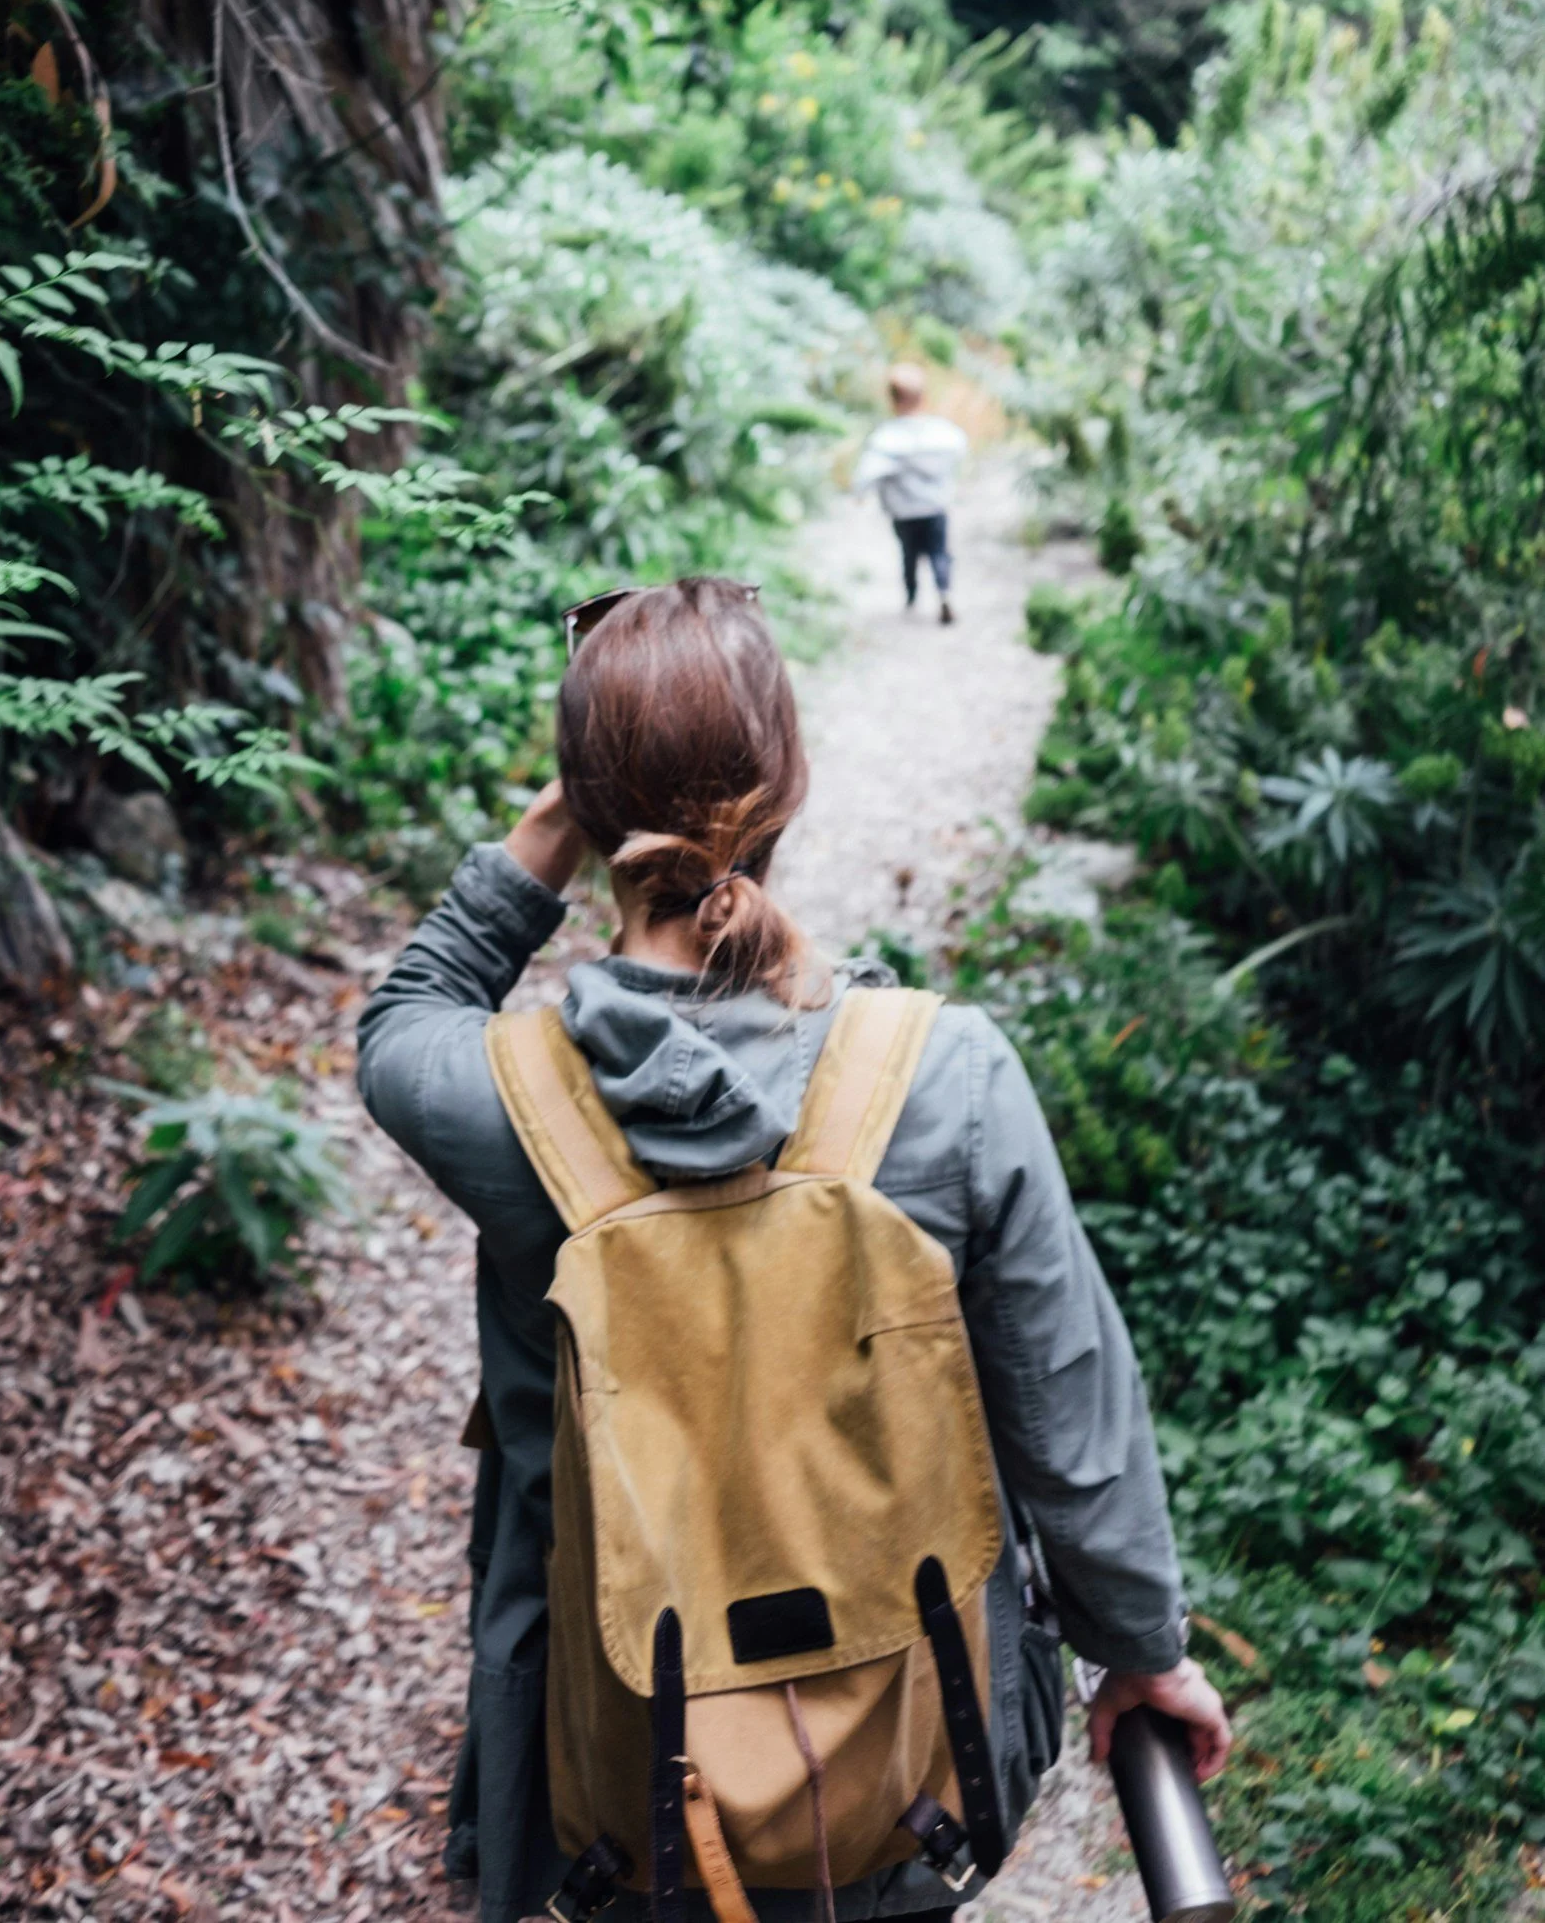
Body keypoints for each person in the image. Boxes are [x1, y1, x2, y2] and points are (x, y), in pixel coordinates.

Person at [357, 579, 1229, 1923]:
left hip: (623, 1788)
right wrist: (1140, 1654)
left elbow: (407, 1006)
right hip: (904, 1782)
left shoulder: (502, 1104)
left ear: (593, 814)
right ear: (789, 788)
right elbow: (1069, 1412)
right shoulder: (941, 1074)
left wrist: (564, 816)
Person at [853, 362, 969, 623]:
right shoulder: (944, 434)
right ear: (923, 396)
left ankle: (911, 597)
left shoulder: (887, 439)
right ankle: (944, 592)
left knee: (909, 554)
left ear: (892, 400)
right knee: (940, 552)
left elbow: (867, 473)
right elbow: (960, 453)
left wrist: (860, 493)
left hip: (904, 511)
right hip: (935, 507)